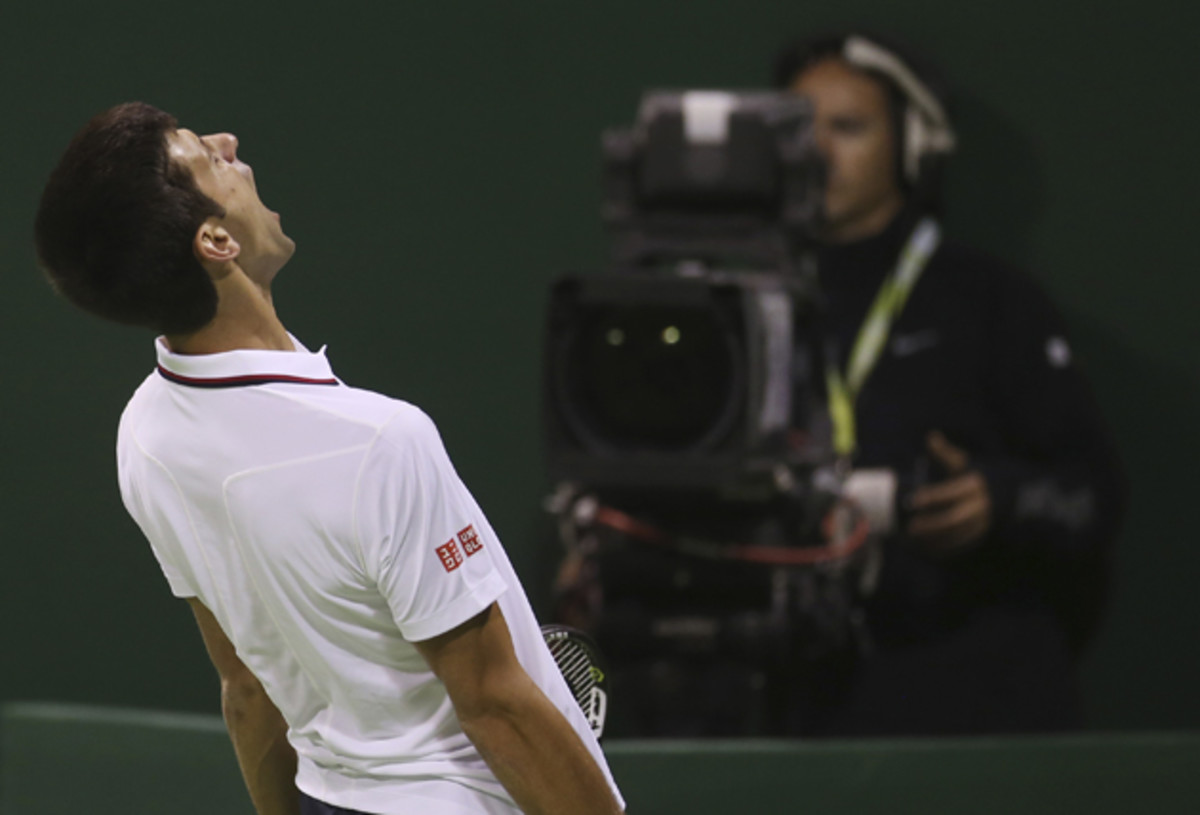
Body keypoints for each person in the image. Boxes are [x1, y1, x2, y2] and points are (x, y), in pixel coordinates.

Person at [35, 102, 625, 815]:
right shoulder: (380, 440)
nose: (229, 142)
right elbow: (496, 704)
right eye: (205, 157)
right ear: (215, 241)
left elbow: (248, 689)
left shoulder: (144, 435)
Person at [765, 31, 1127, 735]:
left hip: (971, 699)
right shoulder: (745, 304)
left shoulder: (988, 298)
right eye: (798, 127)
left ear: (914, 145)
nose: (817, 150)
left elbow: (1095, 492)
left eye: (848, 127)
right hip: (794, 705)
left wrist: (999, 497)